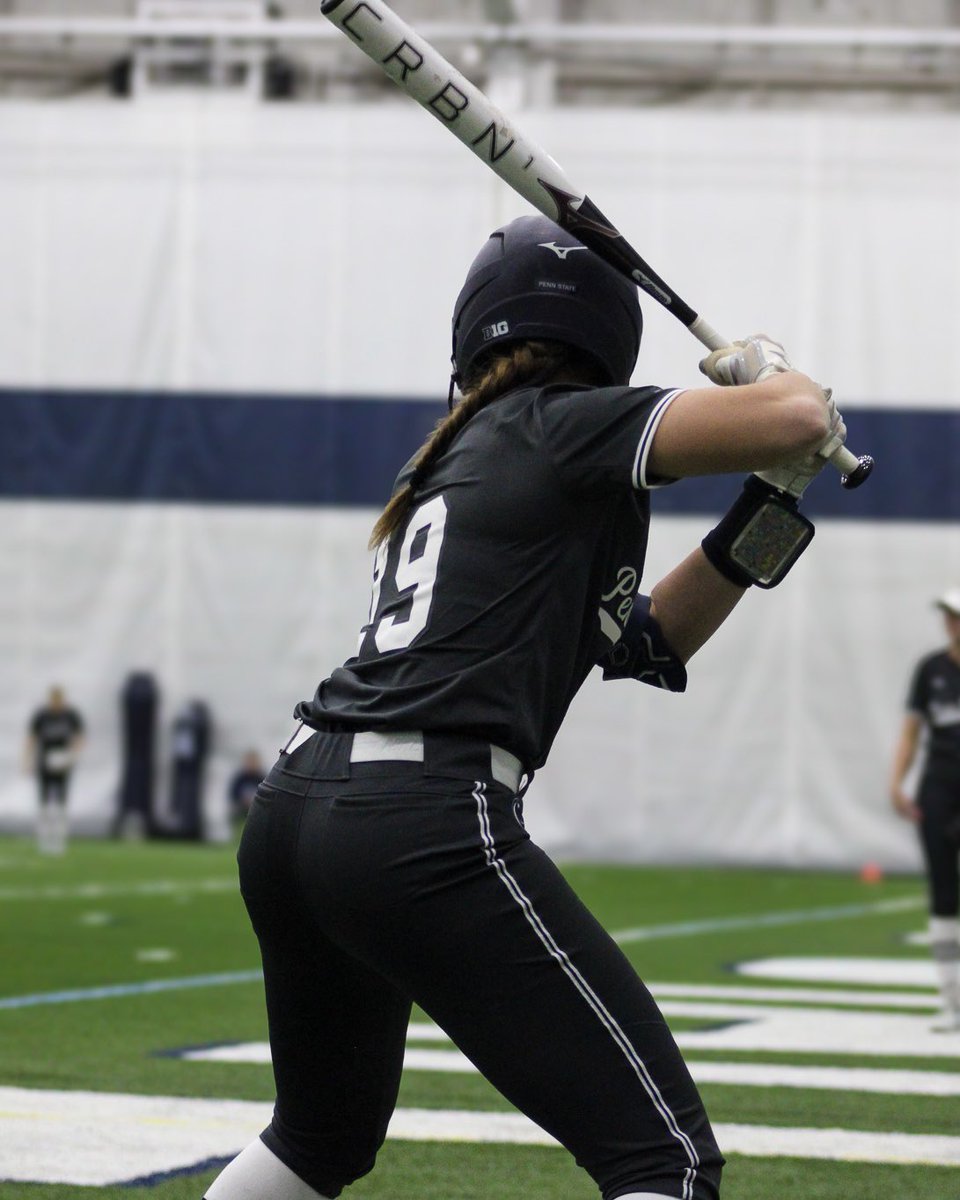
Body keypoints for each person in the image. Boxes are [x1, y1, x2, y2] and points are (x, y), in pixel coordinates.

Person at [204, 214, 845, 1200]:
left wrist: (769, 505)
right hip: (417, 819)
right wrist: (775, 379)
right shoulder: (563, 421)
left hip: (299, 805)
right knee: (663, 1161)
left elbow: (648, 639)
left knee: (319, 1138)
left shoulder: (465, 456)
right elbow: (799, 416)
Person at [890, 589, 960, 1032]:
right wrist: (897, 782)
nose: (951, 624)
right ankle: (952, 1000)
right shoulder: (930, 669)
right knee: (942, 894)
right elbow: (911, 732)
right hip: (938, 789)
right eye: (948, 616)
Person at [24, 685, 85, 855]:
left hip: (63, 763)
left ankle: (59, 840)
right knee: (43, 803)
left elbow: (79, 737)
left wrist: (72, 756)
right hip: (45, 763)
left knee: (61, 803)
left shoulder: (70, 715)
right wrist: (27, 761)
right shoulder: (42, 716)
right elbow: (32, 738)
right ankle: (44, 840)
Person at [228, 749, 265, 828]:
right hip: (242, 808)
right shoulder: (240, 778)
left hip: (257, 809)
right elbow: (233, 793)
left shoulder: (262, 778)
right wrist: (242, 801)